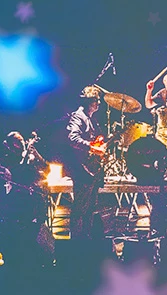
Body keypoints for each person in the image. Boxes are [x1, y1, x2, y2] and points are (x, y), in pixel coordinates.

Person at [0, 131, 51, 271]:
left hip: (32, 203)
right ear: (10, 146)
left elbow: (47, 168)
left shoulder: (31, 156)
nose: (22, 143)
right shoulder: (7, 159)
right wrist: (5, 170)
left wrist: (36, 154)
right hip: (14, 205)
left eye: (22, 140)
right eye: (17, 141)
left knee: (32, 238)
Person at [64, 88, 105, 238]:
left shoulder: (90, 118)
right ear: (89, 102)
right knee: (80, 209)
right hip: (81, 169)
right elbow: (72, 138)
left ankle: (86, 239)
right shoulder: (78, 117)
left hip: (90, 170)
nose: (99, 104)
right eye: (96, 101)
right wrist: (92, 147)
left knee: (89, 209)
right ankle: (77, 241)